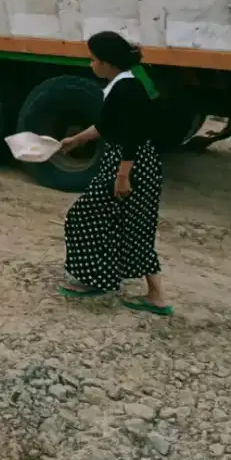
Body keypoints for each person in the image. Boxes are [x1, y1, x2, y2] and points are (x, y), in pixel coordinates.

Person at [56, 31, 172, 315]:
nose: (90, 65)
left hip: (128, 163)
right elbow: (110, 124)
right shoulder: (137, 78)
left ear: (108, 63)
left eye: (93, 60)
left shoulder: (125, 88)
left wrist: (123, 176)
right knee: (132, 225)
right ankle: (152, 294)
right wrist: (77, 140)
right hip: (140, 161)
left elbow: (132, 133)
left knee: (83, 217)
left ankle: (98, 281)